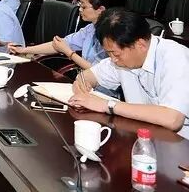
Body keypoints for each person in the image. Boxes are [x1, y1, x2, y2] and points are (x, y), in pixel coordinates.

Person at [69, 8, 189, 139]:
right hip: (142, 136)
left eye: (115, 54)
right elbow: (88, 76)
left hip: (180, 142)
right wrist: (82, 86)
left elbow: (173, 119)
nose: (113, 60)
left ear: (140, 45)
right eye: (108, 54)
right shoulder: (121, 58)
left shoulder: (175, 57)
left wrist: (107, 105)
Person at [9, 0, 114, 69]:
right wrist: (24, 50)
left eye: (84, 6)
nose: (80, 9)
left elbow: (98, 73)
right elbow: (58, 45)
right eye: (80, 5)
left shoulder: (111, 36)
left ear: (100, 10)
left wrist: (69, 53)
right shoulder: (90, 29)